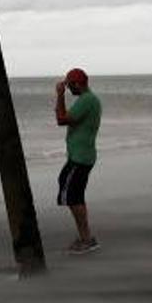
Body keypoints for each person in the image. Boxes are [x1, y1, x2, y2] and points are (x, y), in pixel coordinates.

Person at [55, 67, 102, 255]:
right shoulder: (88, 100)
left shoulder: (87, 100)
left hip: (81, 156)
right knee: (72, 192)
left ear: (77, 84)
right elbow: (68, 118)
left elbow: (61, 119)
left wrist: (59, 96)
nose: (68, 89)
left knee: (72, 196)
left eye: (69, 85)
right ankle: (85, 237)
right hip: (80, 155)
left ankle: (87, 239)